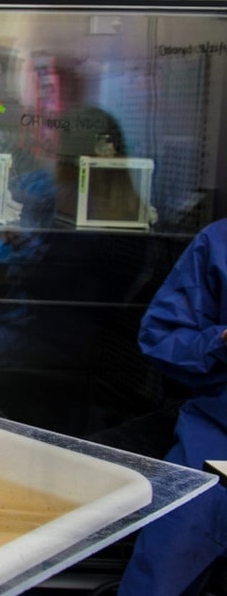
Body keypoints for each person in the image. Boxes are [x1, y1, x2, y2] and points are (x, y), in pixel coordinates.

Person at [118, 217, 227, 596]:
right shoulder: (219, 241)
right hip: (216, 438)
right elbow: (161, 337)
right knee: (169, 557)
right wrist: (221, 339)